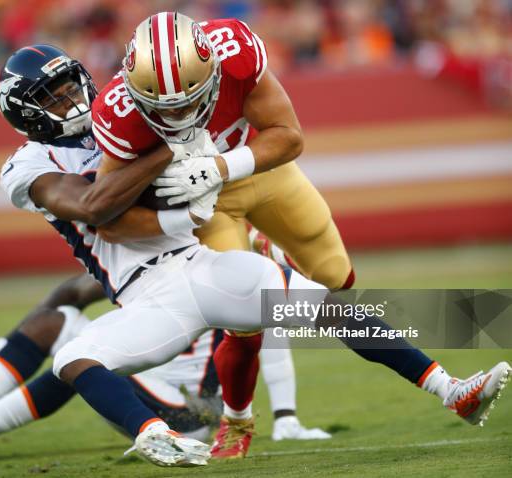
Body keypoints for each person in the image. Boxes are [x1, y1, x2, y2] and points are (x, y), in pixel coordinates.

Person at [89, 12, 511, 460]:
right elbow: (107, 216)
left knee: (336, 281)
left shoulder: (235, 50)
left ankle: (448, 388)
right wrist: (179, 217)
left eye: (190, 100)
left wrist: (220, 166)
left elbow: (289, 136)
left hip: (256, 170)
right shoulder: (118, 114)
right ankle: (236, 422)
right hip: (207, 209)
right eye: (164, 107)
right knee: (245, 320)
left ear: (212, 70)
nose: (179, 114)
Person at [0, 270, 329, 458]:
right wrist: (14, 341)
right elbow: (70, 293)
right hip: (157, 388)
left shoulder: (224, 250)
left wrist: (285, 414)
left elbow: (272, 330)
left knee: (71, 344)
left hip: (188, 410)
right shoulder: (145, 251)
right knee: (68, 339)